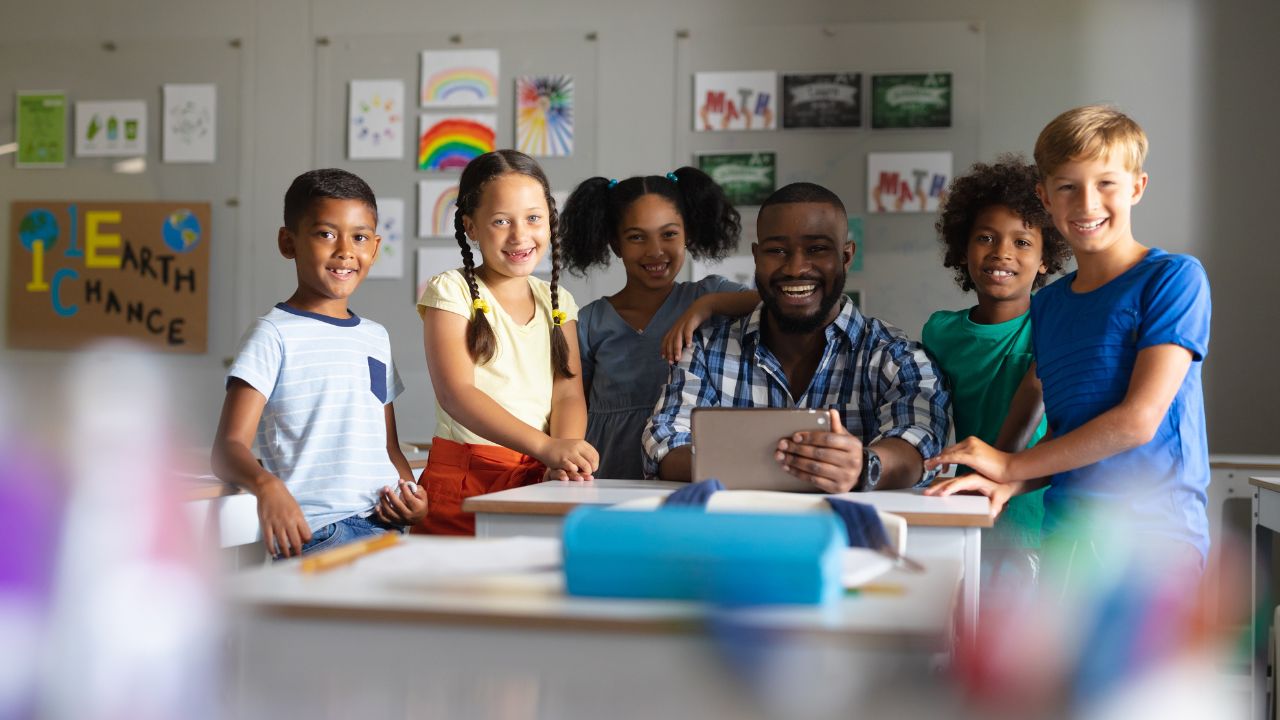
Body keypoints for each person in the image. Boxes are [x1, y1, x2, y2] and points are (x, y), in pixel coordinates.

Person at [927, 105, 1213, 576]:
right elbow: (1065, 435)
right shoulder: (1050, 306)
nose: (1086, 203)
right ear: (1045, 197)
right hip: (1065, 539)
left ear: (1137, 187)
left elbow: (1137, 422)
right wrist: (1006, 485)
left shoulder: (1173, 278)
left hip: (1154, 544)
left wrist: (1008, 465)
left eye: (1106, 183)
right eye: (1067, 187)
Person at [643, 182, 950, 492]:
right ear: (756, 256)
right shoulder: (705, 351)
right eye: (777, 251)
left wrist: (864, 466)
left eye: (817, 249)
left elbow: (920, 439)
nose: (795, 268)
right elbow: (664, 442)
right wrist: (766, 468)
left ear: (846, 256)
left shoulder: (894, 355)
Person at [212, 168, 425, 558]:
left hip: (389, 528)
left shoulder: (375, 337)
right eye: (326, 234)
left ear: (375, 247)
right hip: (321, 533)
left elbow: (388, 446)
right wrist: (267, 485)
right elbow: (228, 448)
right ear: (288, 242)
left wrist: (411, 494)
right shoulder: (272, 334)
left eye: (359, 237)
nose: (345, 251)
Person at [417, 149, 597, 535]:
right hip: (466, 479)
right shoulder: (451, 291)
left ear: (550, 220)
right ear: (471, 227)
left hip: (541, 478)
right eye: (501, 221)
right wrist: (546, 447)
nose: (520, 235)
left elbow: (568, 393)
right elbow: (456, 393)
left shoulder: (558, 301)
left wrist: (564, 454)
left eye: (533, 218)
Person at [921, 155, 1071, 586]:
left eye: (1022, 242)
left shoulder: (1056, 321)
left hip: (1040, 519)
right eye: (985, 238)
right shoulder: (940, 332)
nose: (1002, 252)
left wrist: (1000, 470)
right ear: (962, 249)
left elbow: (1037, 396)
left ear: (1045, 258)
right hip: (968, 511)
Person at [559, 168, 759, 479]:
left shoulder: (710, 295)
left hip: (685, 473)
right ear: (615, 244)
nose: (655, 251)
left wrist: (707, 306)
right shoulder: (588, 321)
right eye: (636, 237)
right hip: (607, 475)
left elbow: (778, 303)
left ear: (688, 234)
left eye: (669, 234)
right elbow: (570, 403)